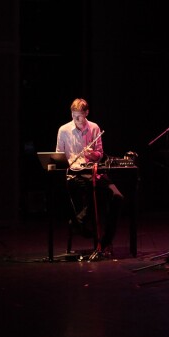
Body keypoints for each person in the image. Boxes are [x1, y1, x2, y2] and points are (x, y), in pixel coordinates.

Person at [55, 98, 123, 261]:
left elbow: (100, 154)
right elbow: (58, 155)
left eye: (79, 116)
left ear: (86, 113)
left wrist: (93, 155)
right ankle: (101, 243)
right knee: (97, 195)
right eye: (74, 116)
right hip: (75, 174)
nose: (76, 119)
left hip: (93, 171)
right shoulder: (63, 130)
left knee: (117, 196)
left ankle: (83, 224)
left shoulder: (94, 128)